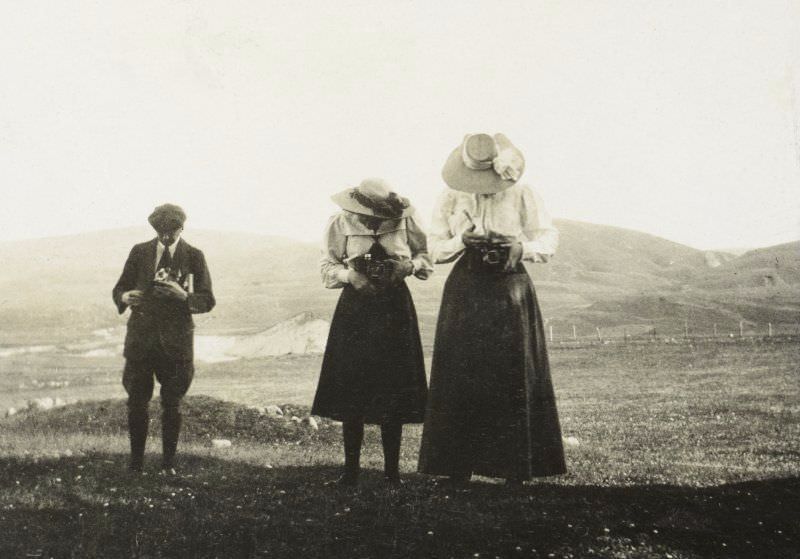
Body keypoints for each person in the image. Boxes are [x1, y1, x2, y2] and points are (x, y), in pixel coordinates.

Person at [418, 133, 567, 485]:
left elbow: (548, 236)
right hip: (465, 284)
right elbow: (434, 248)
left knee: (511, 370)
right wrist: (461, 241)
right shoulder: (451, 195)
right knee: (461, 369)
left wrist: (521, 247)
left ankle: (515, 467)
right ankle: (457, 467)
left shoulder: (522, 192)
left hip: (509, 282)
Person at [313, 177, 433, 486]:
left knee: (393, 386)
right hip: (356, 308)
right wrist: (350, 276)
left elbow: (426, 258)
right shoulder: (340, 221)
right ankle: (350, 471)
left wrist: (408, 267)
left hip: (395, 308)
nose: (374, 221)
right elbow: (327, 265)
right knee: (353, 384)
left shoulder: (407, 219)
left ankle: (391, 472)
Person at [112, 203, 215, 474]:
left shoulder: (194, 256)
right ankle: (136, 464)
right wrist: (124, 297)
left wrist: (184, 297)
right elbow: (120, 287)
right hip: (141, 341)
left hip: (176, 345)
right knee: (136, 401)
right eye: (160, 232)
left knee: (172, 404)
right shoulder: (140, 252)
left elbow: (207, 300)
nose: (166, 237)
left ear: (182, 228)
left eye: (171, 232)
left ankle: (168, 464)